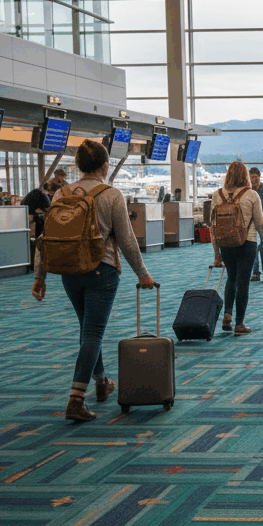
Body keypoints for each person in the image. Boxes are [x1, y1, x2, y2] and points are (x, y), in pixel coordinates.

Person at [30, 139, 156, 422]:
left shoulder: (61, 194)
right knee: (93, 332)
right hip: (103, 269)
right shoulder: (111, 194)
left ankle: (102, 382)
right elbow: (126, 240)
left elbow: (46, 238)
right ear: (105, 165)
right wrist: (142, 273)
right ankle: (76, 398)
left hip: (69, 271)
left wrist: (40, 276)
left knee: (87, 329)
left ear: (77, 166)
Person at [212, 161, 263, 337]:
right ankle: (239, 324)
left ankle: (227, 314)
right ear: (245, 176)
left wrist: (216, 253)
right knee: (243, 282)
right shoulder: (251, 194)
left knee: (231, 278)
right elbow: (261, 223)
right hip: (247, 242)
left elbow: (213, 227)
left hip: (225, 243)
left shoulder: (217, 195)